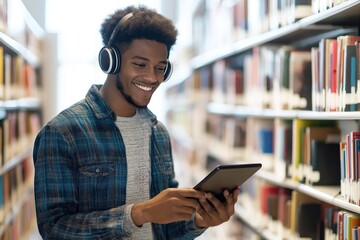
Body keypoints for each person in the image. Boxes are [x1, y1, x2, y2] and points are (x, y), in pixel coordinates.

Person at [33, 5, 240, 239]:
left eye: (160, 68)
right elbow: (54, 229)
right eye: (140, 64)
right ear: (110, 61)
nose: (152, 78)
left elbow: (167, 229)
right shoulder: (62, 133)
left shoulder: (158, 133)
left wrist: (200, 220)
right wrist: (139, 213)